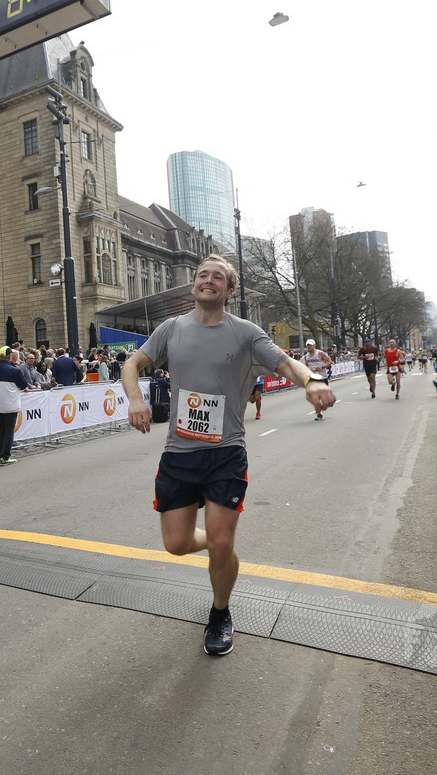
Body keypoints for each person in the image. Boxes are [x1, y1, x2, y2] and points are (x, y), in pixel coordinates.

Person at [123, 254, 336, 656]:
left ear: (230, 290)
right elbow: (132, 363)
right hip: (179, 453)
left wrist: (312, 382)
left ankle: (220, 612)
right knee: (176, 544)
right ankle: (215, 542)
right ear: (193, 285)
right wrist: (136, 400)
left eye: (217, 277)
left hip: (226, 452)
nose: (208, 280)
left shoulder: (246, 333)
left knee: (223, 542)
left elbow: (286, 364)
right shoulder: (171, 328)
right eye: (202, 275)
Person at [0, 348, 27, 465]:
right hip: (10, 405)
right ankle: (5, 455)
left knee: (2, 429)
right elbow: (24, 385)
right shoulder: (14, 370)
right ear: (9, 356)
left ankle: (0, 454)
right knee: (9, 430)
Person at [302, 339, 332, 420]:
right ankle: (319, 414)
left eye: (311, 345)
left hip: (322, 377)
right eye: (308, 345)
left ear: (314, 345)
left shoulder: (320, 353)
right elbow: (304, 367)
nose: (309, 347)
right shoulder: (306, 357)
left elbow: (329, 361)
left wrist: (322, 367)